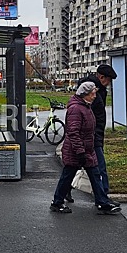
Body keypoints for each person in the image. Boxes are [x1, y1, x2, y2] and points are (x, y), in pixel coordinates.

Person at [50, 82, 121, 214]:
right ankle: (57, 202)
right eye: (92, 93)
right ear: (85, 94)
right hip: (76, 150)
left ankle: (102, 203)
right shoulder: (76, 109)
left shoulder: (85, 106)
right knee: (67, 176)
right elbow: (73, 132)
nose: (95, 96)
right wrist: (80, 152)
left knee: (95, 174)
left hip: (87, 149)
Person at [66, 64, 119, 205]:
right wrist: (94, 137)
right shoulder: (91, 91)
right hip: (91, 136)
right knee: (98, 168)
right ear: (102, 77)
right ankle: (103, 198)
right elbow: (88, 116)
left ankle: (66, 190)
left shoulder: (98, 89)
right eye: (108, 80)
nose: (109, 84)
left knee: (79, 167)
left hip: (94, 135)